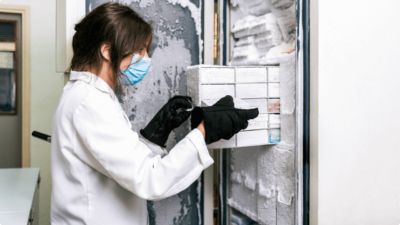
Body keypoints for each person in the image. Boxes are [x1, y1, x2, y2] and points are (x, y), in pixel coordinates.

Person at [51, 2, 258, 225]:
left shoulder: (91, 95)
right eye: (140, 50)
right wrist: (204, 132)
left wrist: (152, 139)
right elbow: (150, 179)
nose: (146, 58)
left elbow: (119, 164)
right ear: (108, 51)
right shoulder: (89, 103)